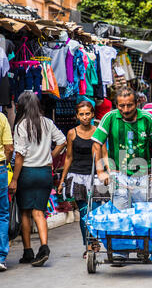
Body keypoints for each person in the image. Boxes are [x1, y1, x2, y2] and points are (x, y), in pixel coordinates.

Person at [9, 92, 66, 266]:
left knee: (26, 212)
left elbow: (19, 156)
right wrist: (50, 157)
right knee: (39, 212)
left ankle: (28, 252)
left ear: (21, 106)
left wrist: (14, 180)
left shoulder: (21, 126)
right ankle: (44, 247)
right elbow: (62, 141)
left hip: (27, 173)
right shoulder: (47, 123)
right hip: (44, 174)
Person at [91, 87, 152, 210]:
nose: (125, 110)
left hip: (142, 173)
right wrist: (100, 172)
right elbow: (96, 143)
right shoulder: (109, 117)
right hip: (118, 173)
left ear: (137, 103)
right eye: (121, 106)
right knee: (120, 213)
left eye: (129, 105)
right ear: (116, 105)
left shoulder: (147, 118)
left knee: (141, 213)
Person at [58, 101, 106, 258]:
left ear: (92, 114)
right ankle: (89, 245)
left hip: (96, 177)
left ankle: (95, 241)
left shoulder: (99, 131)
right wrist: (62, 180)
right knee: (84, 212)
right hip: (77, 177)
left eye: (87, 113)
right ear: (77, 116)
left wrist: (108, 173)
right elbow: (69, 157)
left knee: (96, 211)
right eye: (81, 114)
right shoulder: (72, 133)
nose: (85, 117)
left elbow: (104, 155)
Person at [0, 112, 13, 271]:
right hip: (0, 169)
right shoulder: (2, 118)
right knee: (2, 214)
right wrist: (6, 164)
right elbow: (9, 148)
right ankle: (1, 257)